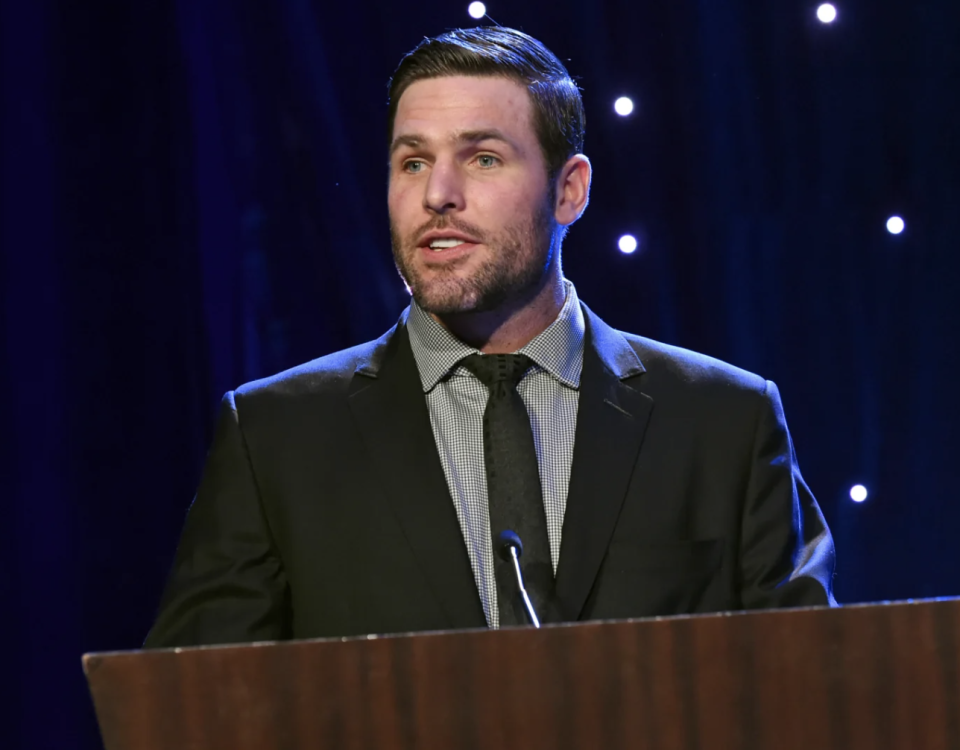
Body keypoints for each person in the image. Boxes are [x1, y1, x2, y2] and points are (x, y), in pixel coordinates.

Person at [144, 26, 835, 648]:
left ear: (569, 191)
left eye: (481, 159)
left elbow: (813, 685)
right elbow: (193, 709)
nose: (438, 192)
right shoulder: (275, 436)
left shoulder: (725, 422)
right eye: (412, 162)